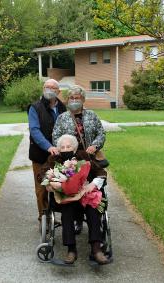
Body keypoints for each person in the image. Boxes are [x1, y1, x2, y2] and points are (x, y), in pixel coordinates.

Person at [42, 134, 109, 265]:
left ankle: (96, 249)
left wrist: (93, 184)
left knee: (93, 209)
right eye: (62, 147)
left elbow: (101, 172)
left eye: (69, 146)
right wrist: (50, 182)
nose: (66, 149)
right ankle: (71, 250)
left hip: (85, 196)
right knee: (67, 210)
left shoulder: (84, 156)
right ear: (58, 149)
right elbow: (42, 173)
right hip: (67, 199)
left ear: (75, 147)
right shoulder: (53, 159)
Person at [52, 85, 106, 234]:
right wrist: (63, 149)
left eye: (77, 98)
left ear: (83, 99)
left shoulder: (92, 115)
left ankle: (93, 213)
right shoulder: (62, 118)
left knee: (89, 185)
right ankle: (76, 219)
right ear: (67, 100)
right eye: (71, 98)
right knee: (72, 188)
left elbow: (101, 133)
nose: (74, 100)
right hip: (69, 159)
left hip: (90, 157)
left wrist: (95, 146)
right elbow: (56, 137)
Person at [28, 79, 66, 223]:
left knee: (60, 184)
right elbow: (34, 130)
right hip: (40, 155)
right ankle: (44, 219)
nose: (49, 90)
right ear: (43, 89)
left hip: (60, 156)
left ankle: (65, 215)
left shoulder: (63, 108)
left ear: (58, 92)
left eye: (53, 87)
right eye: (46, 87)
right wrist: (49, 147)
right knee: (42, 188)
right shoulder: (35, 107)